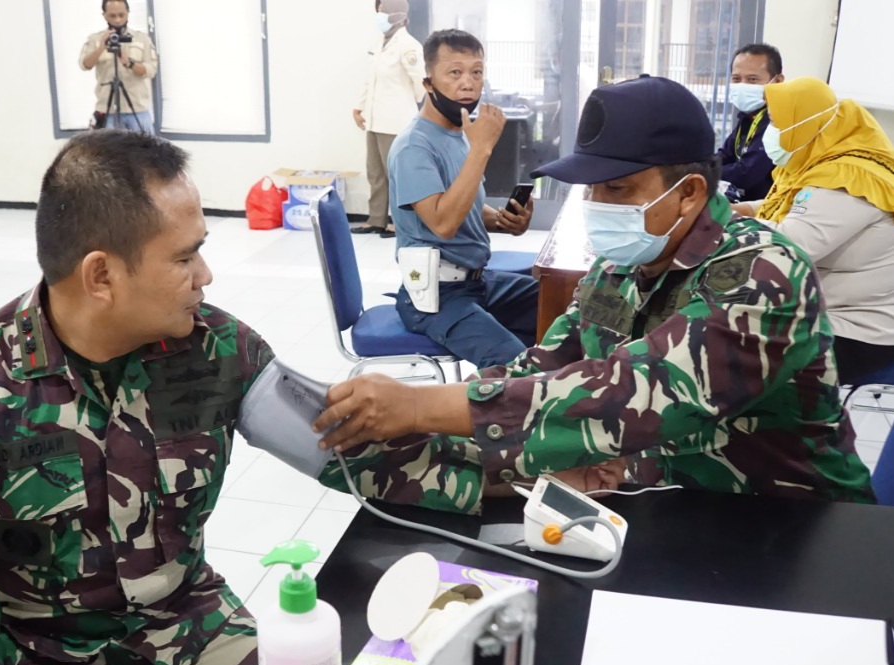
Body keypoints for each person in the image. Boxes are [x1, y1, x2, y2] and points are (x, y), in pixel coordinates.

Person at [0, 131, 491, 665]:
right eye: (185, 256)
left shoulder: (218, 351)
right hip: (30, 660)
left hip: (185, 630)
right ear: (101, 275)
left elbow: (349, 448)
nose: (206, 276)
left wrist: (512, 479)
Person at [314, 76, 874, 504]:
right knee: (393, 472)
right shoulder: (620, 269)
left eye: (618, 189)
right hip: (659, 493)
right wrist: (388, 434)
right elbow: (546, 367)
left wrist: (420, 403)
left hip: (789, 524)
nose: (599, 207)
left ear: (688, 193)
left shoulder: (763, 272)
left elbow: (639, 392)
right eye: (591, 190)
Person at [390, 29, 539, 369]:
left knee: (564, 311)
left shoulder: (458, 133)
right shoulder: (414, 146)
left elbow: (463, 202)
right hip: (435, 296)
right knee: (517, 366)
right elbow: (442, 222)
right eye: (455, 72)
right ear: (428, 83)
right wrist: (483, 149)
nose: (468, 83)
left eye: (476, 72)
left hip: (477, 281)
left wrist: (502, 220)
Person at [733, 77, 894, 386]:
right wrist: (746, 210)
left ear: (807, 123)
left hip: (856, 330)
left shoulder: (850, 176)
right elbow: (784, 206)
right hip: (822, 314)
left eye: (780, 123)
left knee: (735, 362)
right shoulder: (819, 163)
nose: (773, 132)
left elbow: (790, 244)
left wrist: (723, 222)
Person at [352, 0, 426, 239]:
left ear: (397, 14)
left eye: (383, 10)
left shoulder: (408, 45)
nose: (379, 15)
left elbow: (421, 82)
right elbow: (369, 81)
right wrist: (359, 107)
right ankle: (376, 220)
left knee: (396, 175)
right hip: (374, 120)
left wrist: (410, 104)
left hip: (396, 122)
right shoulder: (380, 43)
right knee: (375, 173)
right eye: (379, 10)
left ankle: (398, 222)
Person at [80, 0, 159, 134]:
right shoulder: (95, 39)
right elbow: (85, 65)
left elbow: (151, 70)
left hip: (137, 108)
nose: (117, 20)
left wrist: (129, 63)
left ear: (128, 13)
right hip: (107, 109)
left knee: (145, 152)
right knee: (107, 154)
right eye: (112, 15)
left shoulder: (142, 39)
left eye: (121, 15)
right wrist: (100, 48)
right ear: (104, 15)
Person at [718, 43, 785, 202]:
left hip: (769, 211)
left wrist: (705, 171)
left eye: (752, 79)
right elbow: (725, 155)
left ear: (777, 81)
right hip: (743, 203)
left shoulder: (779, 120)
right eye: (736, 79)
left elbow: (747, 174)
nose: (742, 85)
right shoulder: (748, 117)